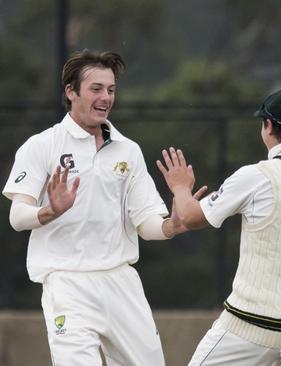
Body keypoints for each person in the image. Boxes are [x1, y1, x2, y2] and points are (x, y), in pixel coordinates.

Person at [2, 50, 200, 365]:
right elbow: (17, 217)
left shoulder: (128, 150)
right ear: (71, 91)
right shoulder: (42, 145)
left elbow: (146, 224)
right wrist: (49, 211)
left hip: (121, 282)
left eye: (110, 90)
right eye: (96, 89)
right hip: (67, 283)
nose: (105, 97)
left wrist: (173, 224)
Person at [156, 89, 281, 365]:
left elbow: (189, 217)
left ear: (268, 126)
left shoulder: (256, 176)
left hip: (254, 327)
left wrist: (179, 187)